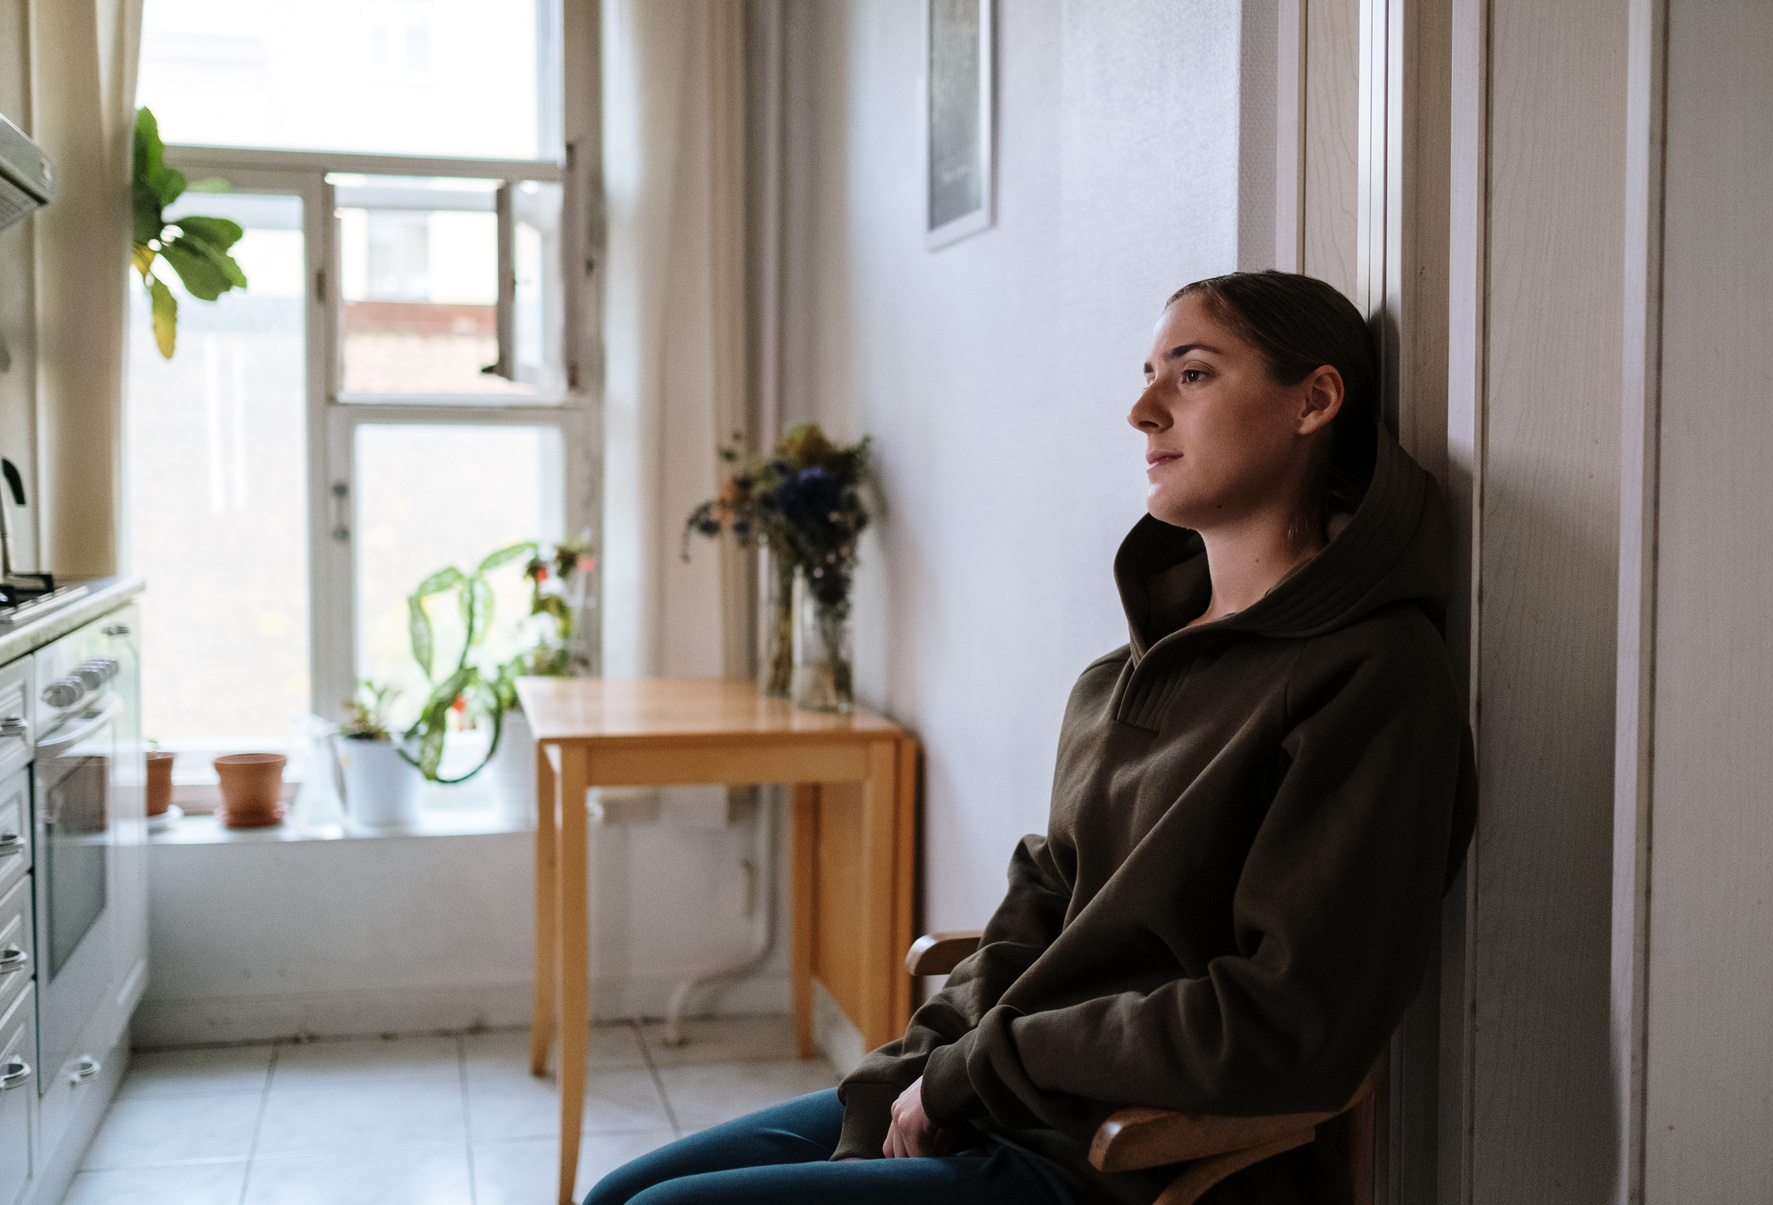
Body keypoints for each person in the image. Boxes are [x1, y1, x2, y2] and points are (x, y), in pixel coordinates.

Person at [585, 271, 1477, 1205]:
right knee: (619, 1194)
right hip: (1006, 1098)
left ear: (1316, 400)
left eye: (1193, 374)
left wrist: (977, 1071)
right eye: (1146, 373)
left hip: (1131, 1160)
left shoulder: (1376, 676)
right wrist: (924, 1060)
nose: (1143, 409)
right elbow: (1044, 901)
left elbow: (1286, 1020)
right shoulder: (1117, 677)